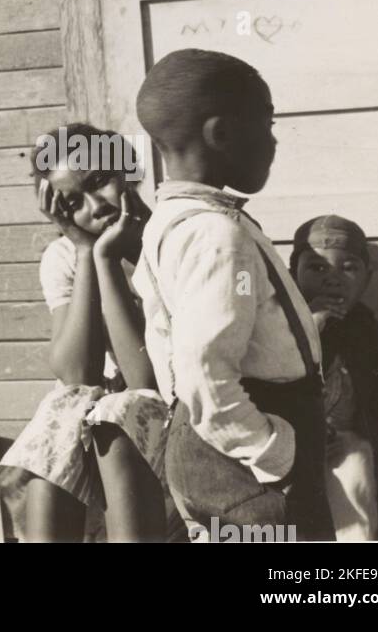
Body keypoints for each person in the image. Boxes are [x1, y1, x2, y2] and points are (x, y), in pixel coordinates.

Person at [133, 49, 334, 541]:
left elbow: (166, 345)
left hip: (213, 437)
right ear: (221, 134)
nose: (273, 139)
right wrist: (272, 452)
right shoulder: (216, 235)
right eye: (266, 124)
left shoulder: (170, 224)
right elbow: (203, 370)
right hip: (249, 448)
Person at [0, 123, 168, 541]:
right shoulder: (66, 254)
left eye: (99, 181)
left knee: (115, 411)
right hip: (104, 418)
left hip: (174, 402)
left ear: (127, 167)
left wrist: (108, 259)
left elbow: (145, 381)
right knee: (65, 405)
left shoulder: (168, 237)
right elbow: (75, 374)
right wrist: (87, 252)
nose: (95, 206)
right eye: (73, 202)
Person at [290, 214, 378, 541]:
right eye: (317, 267)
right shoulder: (278, 324)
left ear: (367, 279)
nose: (333, 279)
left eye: (348, 267)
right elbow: (267, 376)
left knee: (354, 459)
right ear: (292, 273)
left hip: (341, 443)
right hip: (286, 442)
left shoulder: (369, 333)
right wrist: (310, 326)